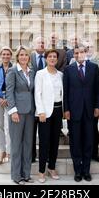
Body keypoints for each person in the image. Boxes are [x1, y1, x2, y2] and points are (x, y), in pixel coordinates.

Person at [63, 45, 99, 182]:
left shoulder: (93, 68)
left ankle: (86, 170)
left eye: (82, 52)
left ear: (86, 53)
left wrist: (97, 106)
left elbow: (98, 89)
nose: (79, 54)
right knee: (75, 142)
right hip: (73, 112)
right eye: (76, 52)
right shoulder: (68, 70)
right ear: (74, 55)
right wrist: (66, 110)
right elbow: (65, 92)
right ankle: (77, 171)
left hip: (90, 111)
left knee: (88, 141)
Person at [6, 46, 35, 185]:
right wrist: (13, 111)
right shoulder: (12, 71)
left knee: (28, 144)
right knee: (16, 145)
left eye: (26, 55)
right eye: (21, 55)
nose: (24, 57)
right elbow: (9, 92)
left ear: (29, 57)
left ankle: (26, 174)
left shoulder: (32, 72)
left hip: (30, 112)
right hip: (17, 113)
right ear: (17, 57)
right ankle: (16, 176)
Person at [34, 49, 63, 183]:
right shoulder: (40, 74)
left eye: (54, 57)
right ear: (46, 59)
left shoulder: (61, 75)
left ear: (57, 59)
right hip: (45, 113)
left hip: (58, 112)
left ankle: (51, 167)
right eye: (50, 56)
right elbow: (37, 94)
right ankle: (41, 171)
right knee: (44, 142)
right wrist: (41, 111)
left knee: (55, 142)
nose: (52, 58)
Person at [84, 40, 99, 163]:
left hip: (93, 103)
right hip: (80, 103)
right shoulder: (73, 61)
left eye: (91, 46)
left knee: (93, 129)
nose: (88, 49)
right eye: (86, 47)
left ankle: (94, 152)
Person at [30, 37, 47, 163]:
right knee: (31, 130)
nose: (41, 44)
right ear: (34, 45)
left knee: (44, 131)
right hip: (30, 99)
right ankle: (31, 155)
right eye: (39, 42)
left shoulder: (49, 58)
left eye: (43, 43)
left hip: (45, 99)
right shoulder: (28, 57)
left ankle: (44, 155)